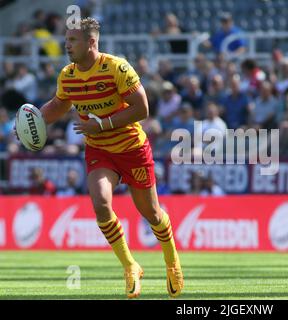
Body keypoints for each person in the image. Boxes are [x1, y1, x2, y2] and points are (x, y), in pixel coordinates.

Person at [18, 18, 183, 299]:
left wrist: (103, 124)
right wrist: (30, 121)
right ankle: (130, 266)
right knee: (101, 204)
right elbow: (59, 104)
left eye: (72, 41)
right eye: (67, 40)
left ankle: (172, 262)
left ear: (91, 42)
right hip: (99, 149)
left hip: (132, 148)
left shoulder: (117, 67)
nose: (66, 45)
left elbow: (142, 108)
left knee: (152, 214)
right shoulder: (68, 75)